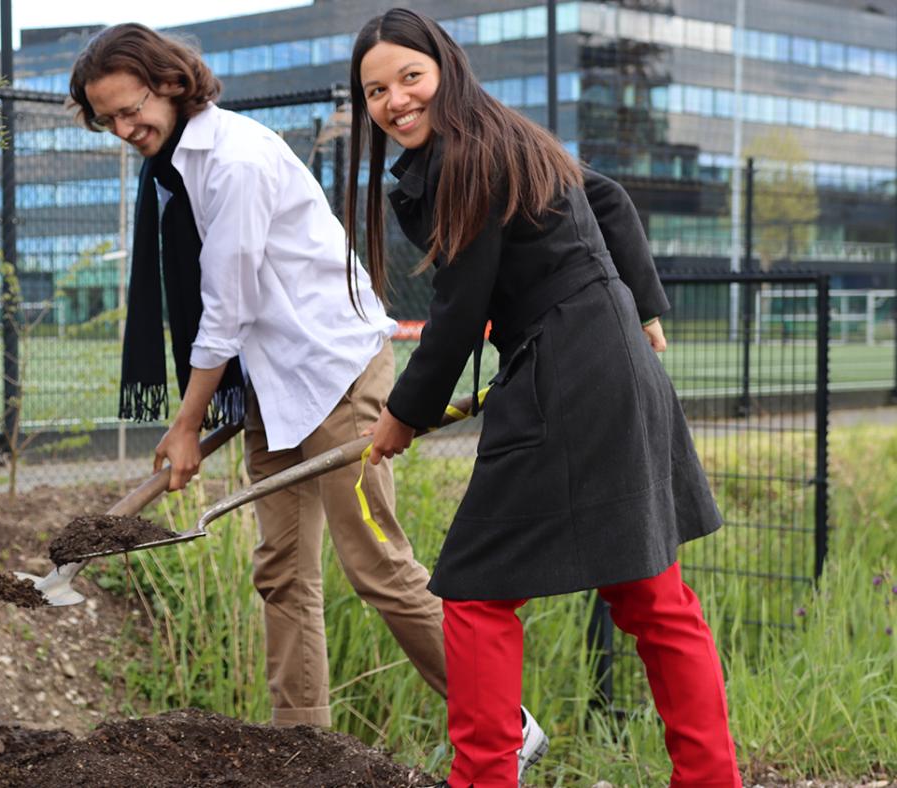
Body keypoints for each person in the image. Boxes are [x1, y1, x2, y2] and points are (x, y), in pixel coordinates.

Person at [67, 22, 549, 777]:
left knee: (378, 567)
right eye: (112, 121)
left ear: (169, 83)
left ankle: (505, 723)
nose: (127, 130)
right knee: (281, 569)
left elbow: (225, 306)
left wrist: (188, 424)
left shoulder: (234, 161)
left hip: (337, 376)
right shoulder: (178, 170)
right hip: (273, 387)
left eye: (132, 110)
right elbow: (236, 316)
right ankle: (302, 750)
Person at [347, 8, 743, 787]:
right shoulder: (507, 137)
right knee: (651, 595)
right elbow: (611, 199)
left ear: (446, 70)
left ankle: (484, 777)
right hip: (607, 357)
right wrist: (641, 309)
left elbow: (459, 313)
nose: (395, 101)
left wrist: (401, 416)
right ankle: (711, 779)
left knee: (475, 593)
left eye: (410, 77)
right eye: (375, 90)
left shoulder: (469, 157)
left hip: (569, 368)